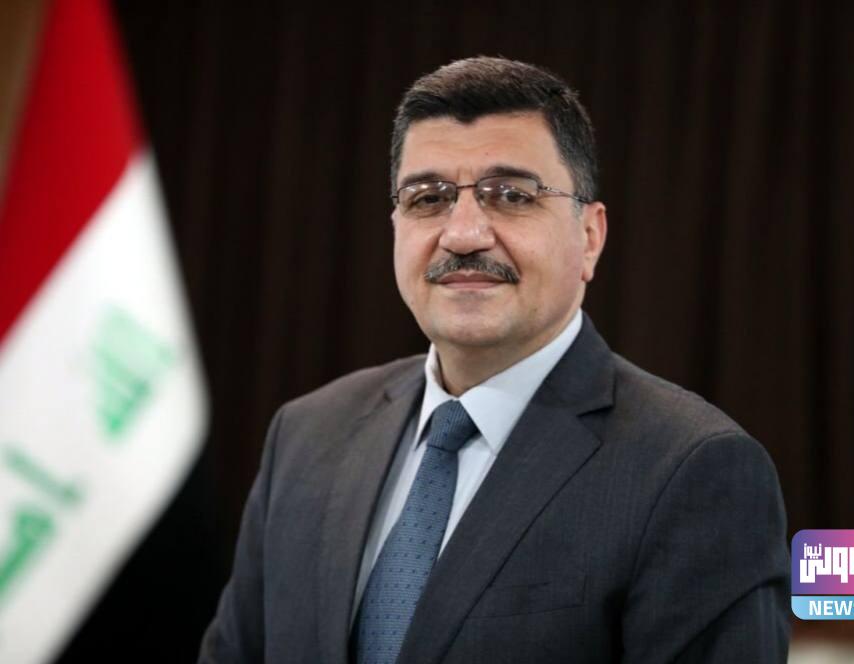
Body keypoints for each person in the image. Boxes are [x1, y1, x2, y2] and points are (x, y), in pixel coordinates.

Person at [199, 56, 790, 664]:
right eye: (428, 198)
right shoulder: (306, 435)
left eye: (510, 195)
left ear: (589, 236)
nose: (462, 234)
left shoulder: (694, 469)